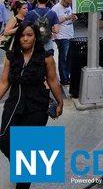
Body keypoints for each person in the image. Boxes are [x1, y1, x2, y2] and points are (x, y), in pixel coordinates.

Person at [0, 22, 63, 189]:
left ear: (35, 36)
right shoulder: (11, 56)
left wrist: (60, 102)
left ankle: (24, 176)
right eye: (22, 35)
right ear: (18, 37)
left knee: (28, 149)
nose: (25, 38)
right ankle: (24, 165)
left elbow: (52, 81)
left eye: (29, 35)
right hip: (14, 104)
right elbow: (4, 83)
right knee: (4, 140)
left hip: (37, 106)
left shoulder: (45, 57)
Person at [52, 0, 77, 85]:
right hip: (61, 36)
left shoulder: (68, 6)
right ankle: (64, 78)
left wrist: (73, 19)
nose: (69, 4)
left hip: (70, 34)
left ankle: (67, 76)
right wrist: (68, 17)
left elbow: (69, 20)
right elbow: (54, 21)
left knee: (69, 57)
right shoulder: (56, 8)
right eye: (67, 3)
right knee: (63, 57)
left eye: (70, 3)